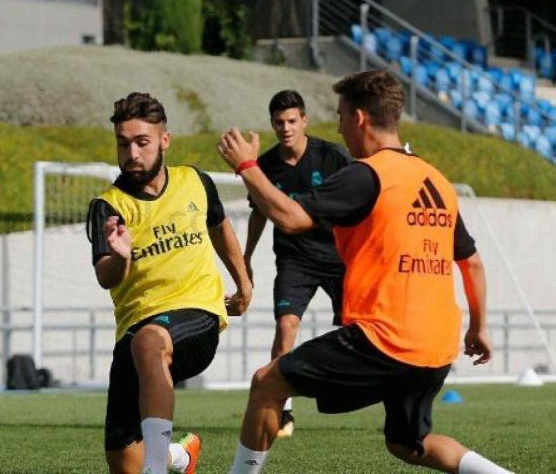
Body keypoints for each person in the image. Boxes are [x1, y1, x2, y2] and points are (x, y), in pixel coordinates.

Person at [217, 71, 512, 474]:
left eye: (340, 116)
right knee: (408, 445)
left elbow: (289, 217)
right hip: (438, 346)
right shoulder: (436, 180)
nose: (338, 126)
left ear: (358, 119)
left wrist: (247, 166)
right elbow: (472, 262)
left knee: (267, 382)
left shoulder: (367, 175)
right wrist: (479, 327)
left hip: (386, 340)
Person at [87, 92, 252, 474]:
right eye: (123, 143)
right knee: (122, 459)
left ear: (164, 140)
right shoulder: (107, 206)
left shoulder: (195, 181)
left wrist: (243, 283)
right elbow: (104, 275)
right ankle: (179, 456)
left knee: (151, 341)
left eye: (142, 142)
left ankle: (157, 468)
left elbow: (219, 225)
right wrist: (122, 257)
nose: (132, 153)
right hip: (135, 330)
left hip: (197, 316)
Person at [242, 89, 350, 437]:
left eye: (291, 121)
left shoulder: (333, 157)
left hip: (338, 256)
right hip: (294, 259)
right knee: (286, 326)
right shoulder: (267, 166)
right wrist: (245, 257)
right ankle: (283, 409)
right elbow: (259, 212)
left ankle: (381, 394)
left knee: (359, 327)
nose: (285, 128)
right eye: (278, 122)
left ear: (304, 120)